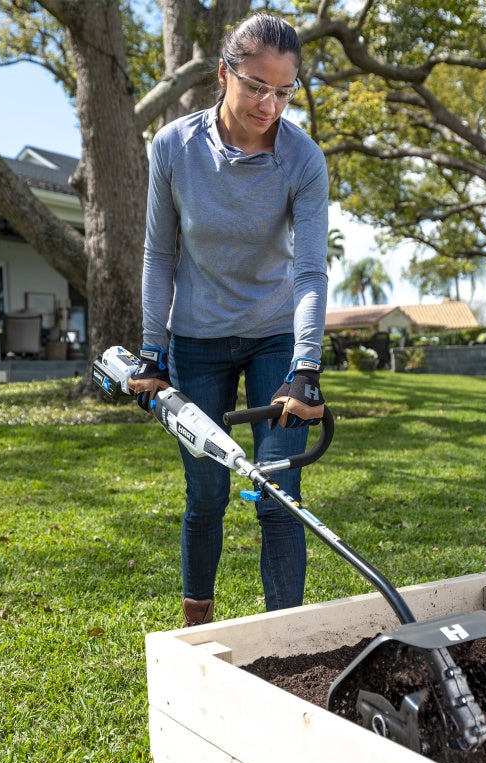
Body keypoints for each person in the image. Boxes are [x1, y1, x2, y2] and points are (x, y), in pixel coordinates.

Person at [128, 12, 329, 628]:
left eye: (285, 90)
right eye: (257, 87)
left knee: (277, 495)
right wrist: (152, 352)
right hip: (197, 338)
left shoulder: (303, 159)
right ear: (223, 74)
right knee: (209, 492)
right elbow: (161, 254)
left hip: (275, 334)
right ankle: (199, 624)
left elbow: (310, 270)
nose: (271, 104)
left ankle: (287, 643)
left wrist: (306, 365)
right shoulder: (173, 147)